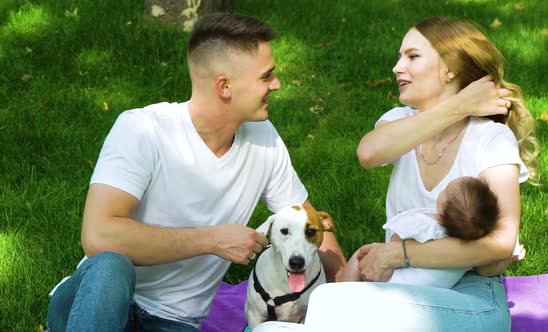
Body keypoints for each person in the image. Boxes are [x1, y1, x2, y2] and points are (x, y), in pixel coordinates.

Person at [46, 13, 345, 332]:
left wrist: (348, 296)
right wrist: (211, 239)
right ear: (225, 86)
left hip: (173, 321)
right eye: (266, 76)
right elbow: (98, 236)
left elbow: (310, 226)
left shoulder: (264, 139)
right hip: (101, 303)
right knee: (110, 264)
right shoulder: (143, 129)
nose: (277, 84)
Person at [348, 16, 539, 330]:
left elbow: (500, 243)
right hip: (400, 284)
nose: (397, 67)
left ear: (450, 68)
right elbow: (368, 153)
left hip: (471, 291)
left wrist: (399, 253)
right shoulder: (401, 121)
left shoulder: (490, 139)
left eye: (412, 56)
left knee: (358, 312)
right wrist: (459, 105)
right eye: (400, 57)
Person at [341, 176, 501, 288]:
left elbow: (394, 241)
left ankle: (339, 294)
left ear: (443, 213)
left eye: (444, 190)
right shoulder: (470, 249)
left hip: (393, 282)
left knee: (361, 254)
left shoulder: (427, 225)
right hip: (430, 291)